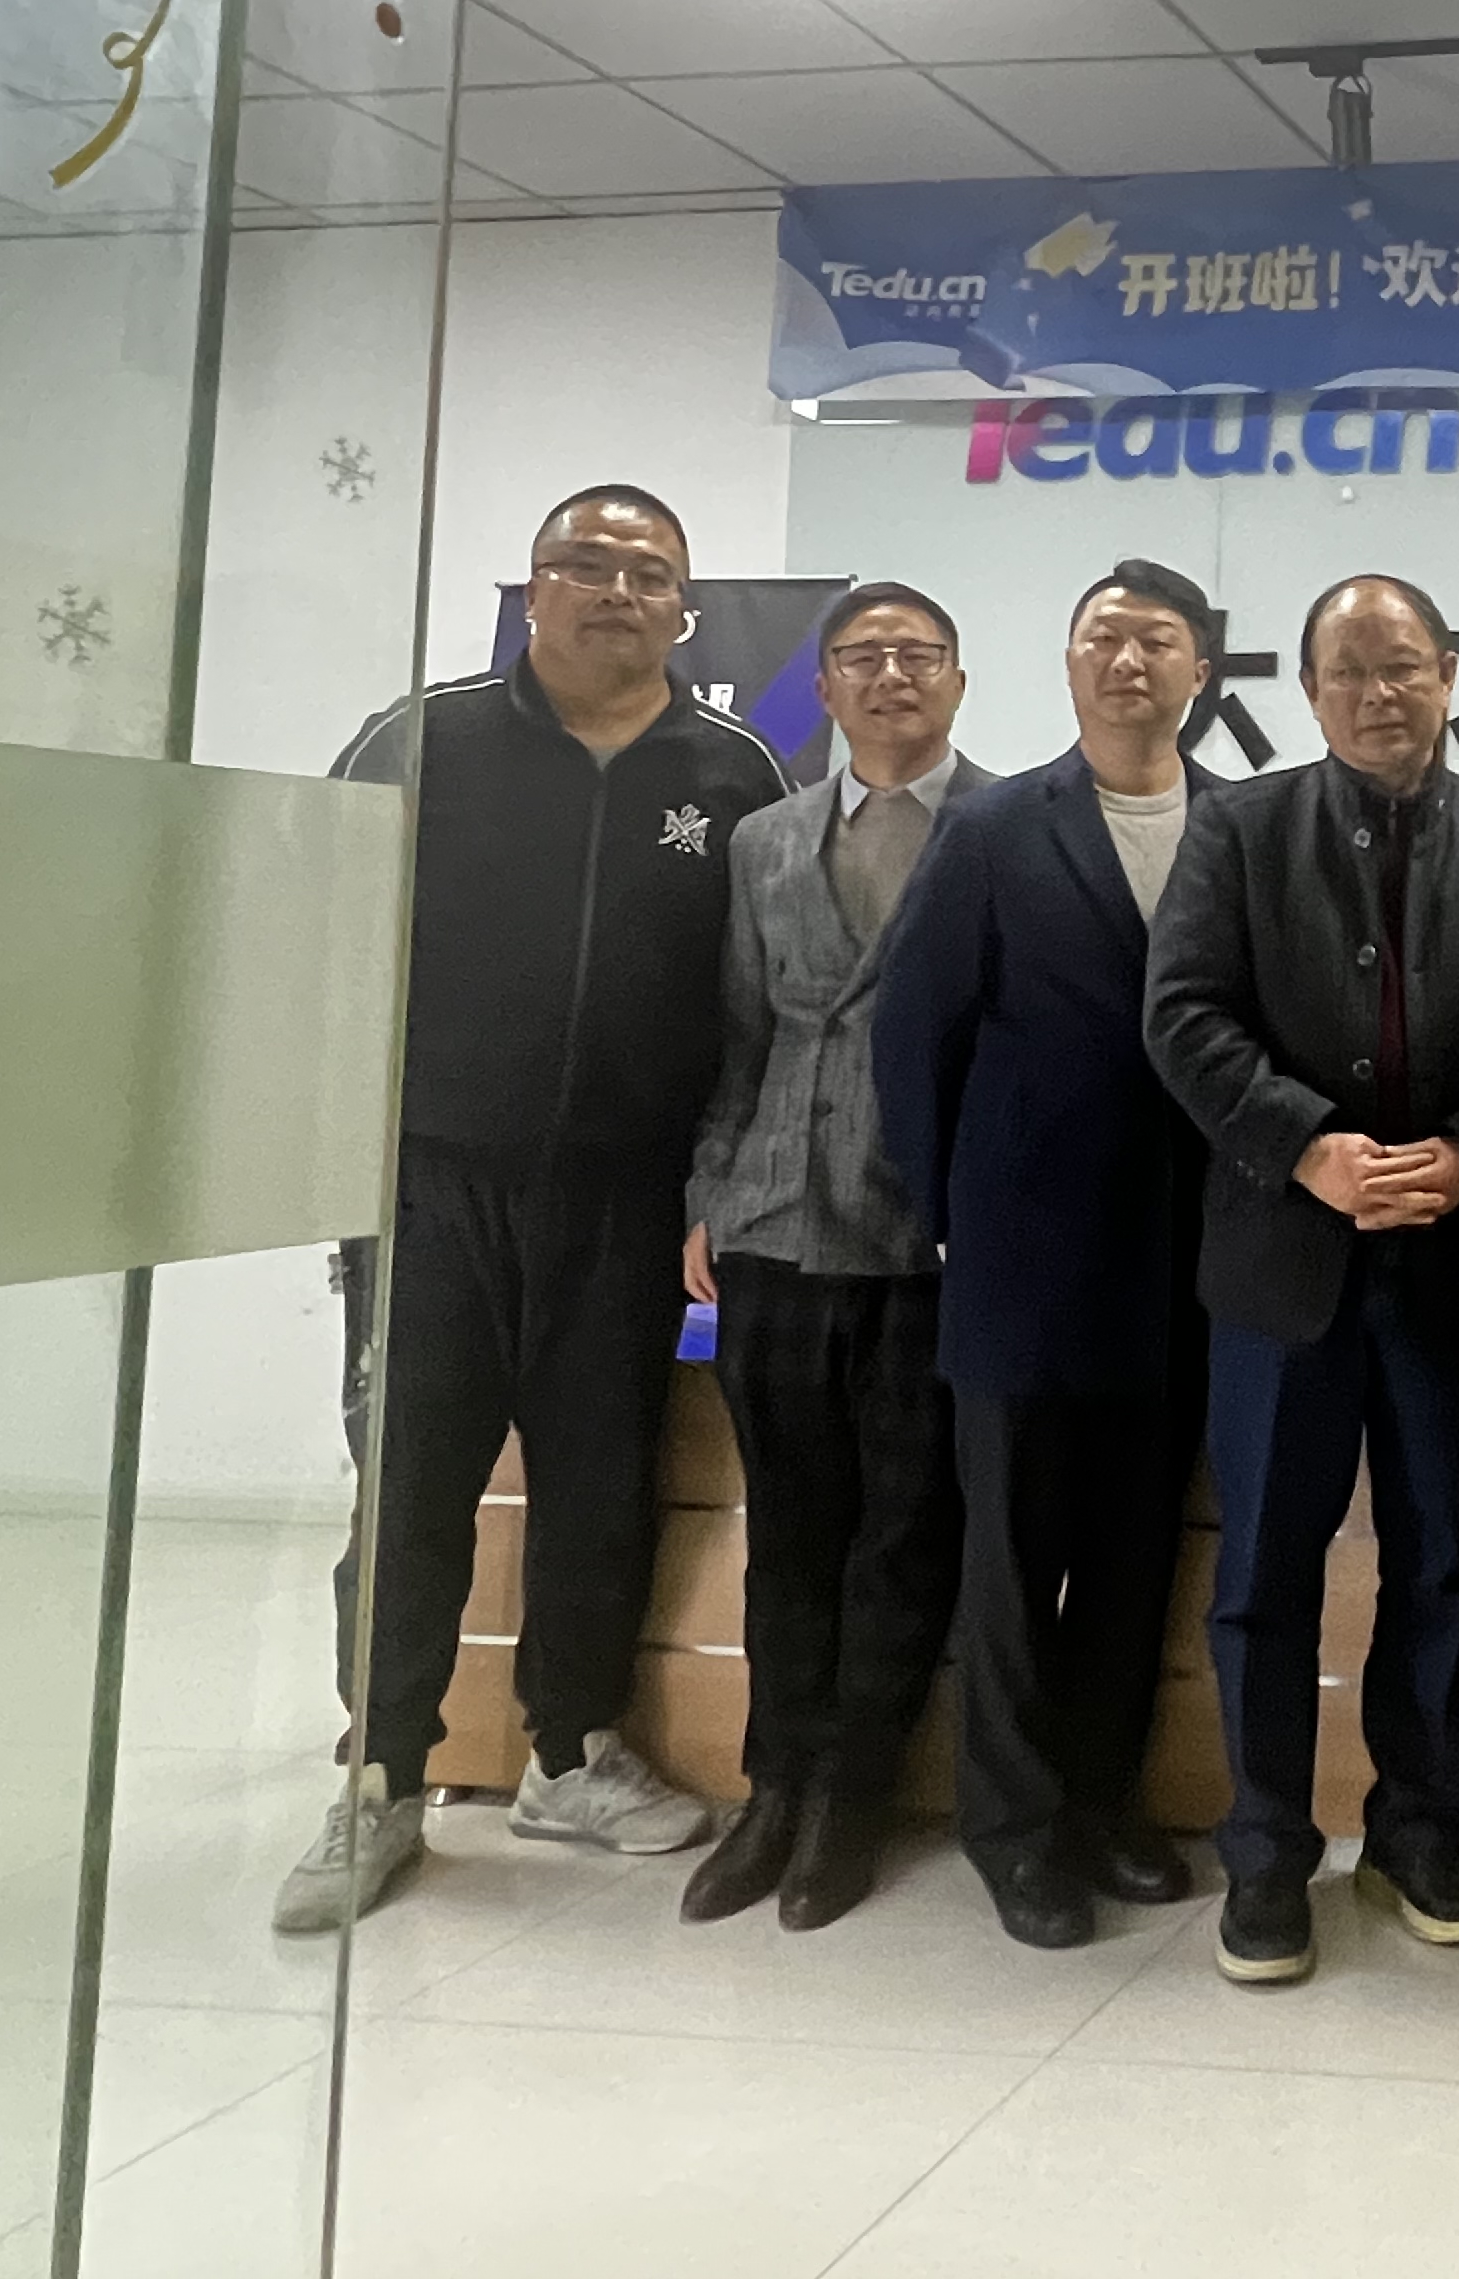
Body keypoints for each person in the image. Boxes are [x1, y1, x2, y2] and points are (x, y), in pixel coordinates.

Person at [277, 484, 787, 1932]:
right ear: (535, 587)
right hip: (429, 1186)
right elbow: (317, 935)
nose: (618, 590)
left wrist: (714, 1186)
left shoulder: (736, 771)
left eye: (649, 572)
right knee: (411, 1486)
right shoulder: (421, 739)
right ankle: (381, 1771)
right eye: (588, 564)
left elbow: (755, 1003)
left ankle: (572, 1753)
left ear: (684, 609)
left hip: (629, 1198)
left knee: (599, 1486)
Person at [1143, 574, 1459, 1990]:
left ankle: (1419, 1833)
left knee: (1439, 1563)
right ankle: (1265, 1851)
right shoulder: (1240, 829)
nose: (1381, 694)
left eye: (1405, 666)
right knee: (1264, 1569)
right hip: (1281, 1267)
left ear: (1451, 675)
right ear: (1309, 693)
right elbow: (1181, 1014)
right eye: (1350, 672)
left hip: (1449, 1264)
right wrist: (1306, 1148)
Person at [876, 559, 1222, 1951]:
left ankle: (1103, 1806)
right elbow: (916, 1034)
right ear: (1070, 665)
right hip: (1021, 1257)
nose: (1129, 660)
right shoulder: (995, 828)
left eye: (1158, 640)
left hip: (1188, 1262)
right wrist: (949, 1209)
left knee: (1137, 1561)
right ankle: (1013, 1832)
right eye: (1103, 638)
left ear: (1203, 669)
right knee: (1014, 1565)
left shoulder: (1240, 828)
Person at [675, 582, 989, 1931]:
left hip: (930, 1239)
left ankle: (852, 1798)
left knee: (903, 1536)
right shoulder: (764, 839)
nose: (889, 676)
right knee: (790, 1533)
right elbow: (737, 1035)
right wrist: (710, 1192)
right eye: (863, 657)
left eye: (918, 654)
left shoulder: (1008, 829)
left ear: (959, 680)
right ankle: (775, 1787)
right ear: (828, 687)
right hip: (775, 1224)